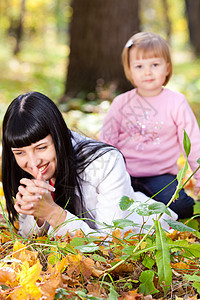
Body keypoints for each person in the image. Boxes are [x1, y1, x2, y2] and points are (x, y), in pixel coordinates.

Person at [2, 91, 177, 238]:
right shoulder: (25, 166)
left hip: (144, 229)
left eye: (41, 148)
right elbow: (27, 237)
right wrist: (39, 216)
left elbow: (111, 242)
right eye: (19, 152)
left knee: (180, 202)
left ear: (58, 137)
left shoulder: (105, 162)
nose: (33, 162)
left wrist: (52, 213)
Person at [99, 31, 200, 219]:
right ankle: (140, 206)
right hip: (123, 173)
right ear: (129, 70)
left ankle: (144, 205)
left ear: (167, 68)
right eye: (139, 66)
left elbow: (193, 142)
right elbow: (106, 143)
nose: (147, 72)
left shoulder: (176, 102)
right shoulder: (121, 103)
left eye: (155, 64)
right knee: (102, 206)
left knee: (184, 207)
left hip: (159, 176)